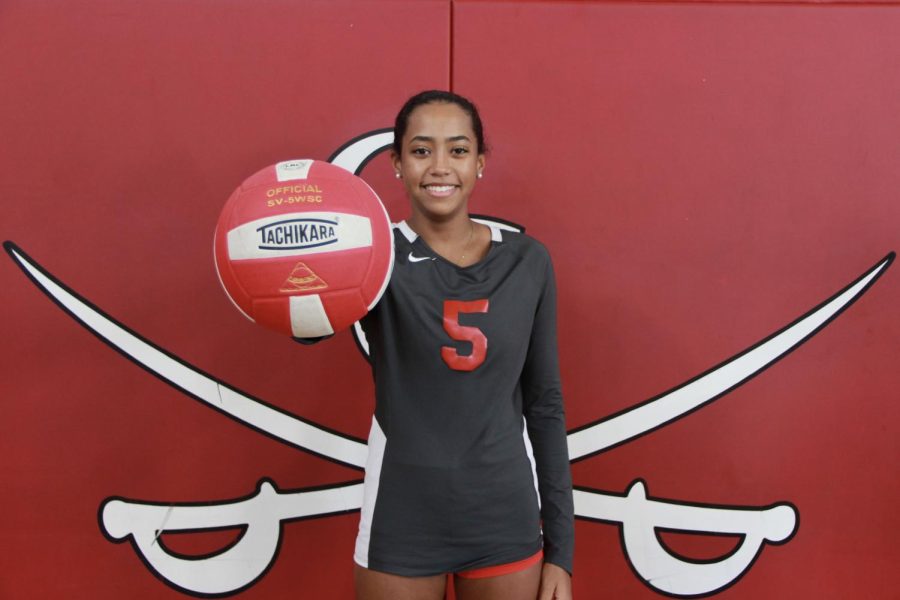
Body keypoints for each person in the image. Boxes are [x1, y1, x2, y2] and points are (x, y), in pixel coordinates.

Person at [353, 90, 574, 600]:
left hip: (502, 515)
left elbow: (545, 405)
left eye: (456, 150)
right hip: (401, 512)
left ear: (480, 163)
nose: (439, 167)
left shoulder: (528, 261)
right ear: (396, 163)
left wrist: (561, 551)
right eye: (421, 149)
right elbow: (309, 325)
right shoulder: (369, 258)